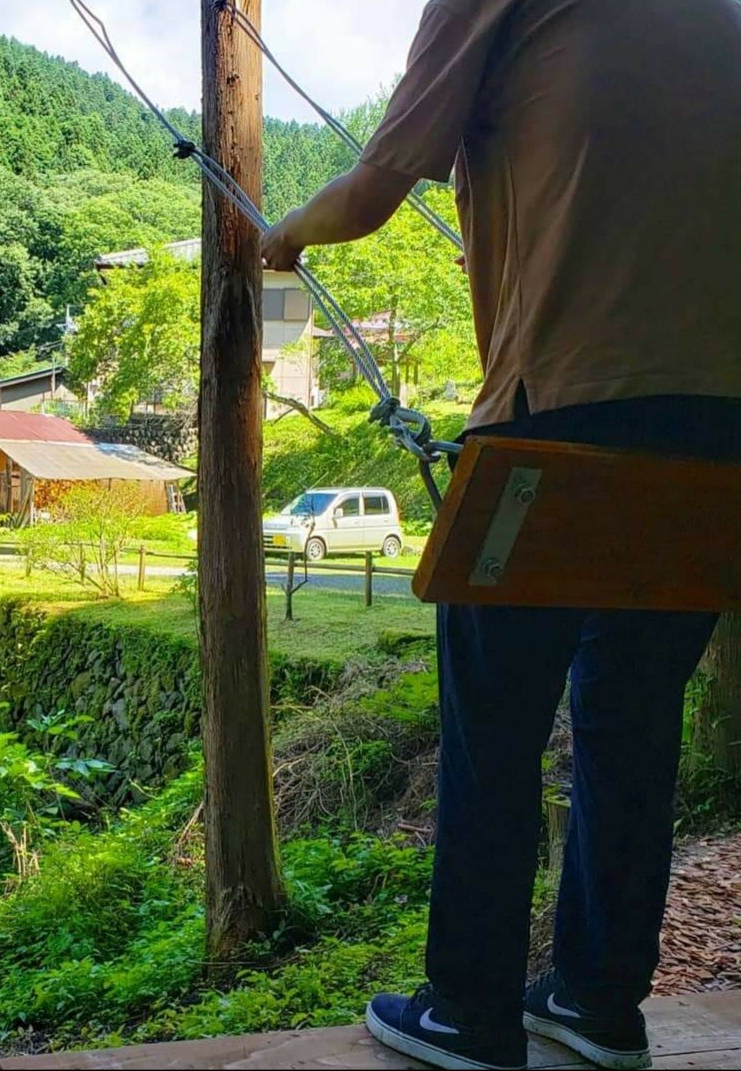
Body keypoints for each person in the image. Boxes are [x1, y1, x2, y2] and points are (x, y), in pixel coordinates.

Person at [262, 1, 741, 1069]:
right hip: (721, 440)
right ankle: (597, 1001)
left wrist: (283, 235)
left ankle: (469, 1010)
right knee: (634, 720)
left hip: (559, 417)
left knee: (495, 722)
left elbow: (370, 192)